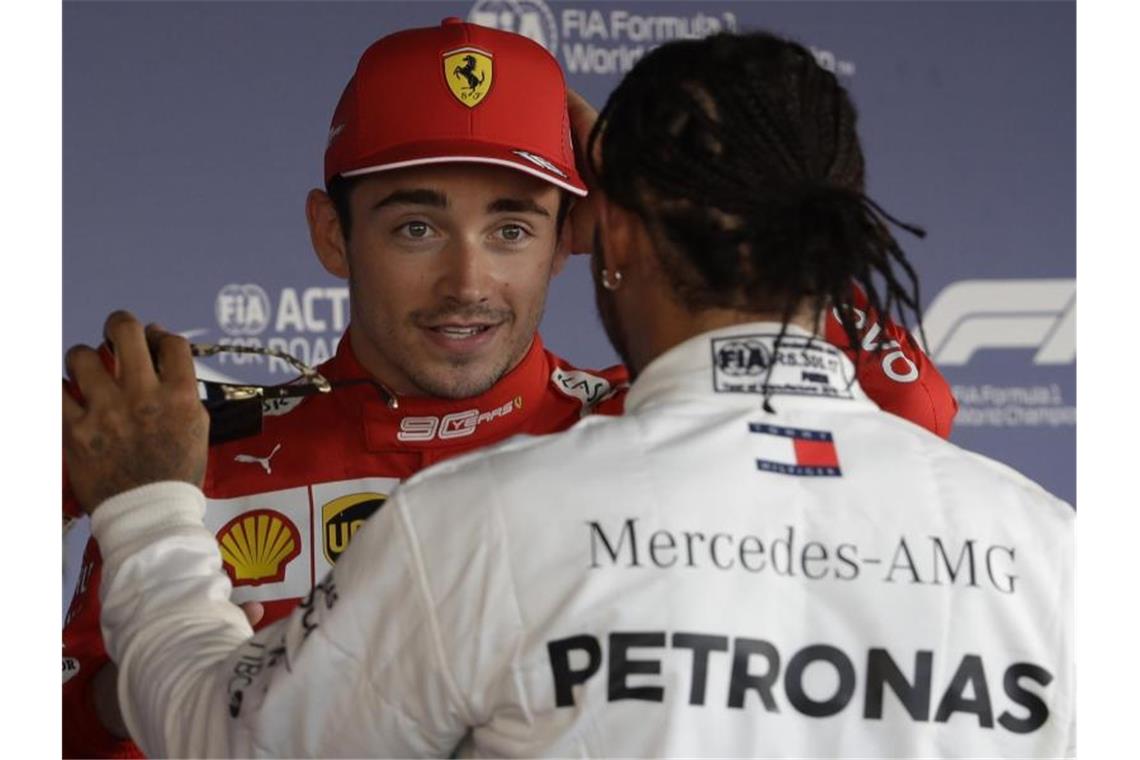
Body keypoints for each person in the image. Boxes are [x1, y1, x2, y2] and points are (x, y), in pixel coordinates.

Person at [62, 24, 965, 759]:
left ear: (579, 233)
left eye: (512, 226)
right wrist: (167, 681)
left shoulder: (637, 426)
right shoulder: (182, 462)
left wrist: (650, 194)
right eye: (416, 226)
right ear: (332, 237)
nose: (468, 282)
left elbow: (909, 417)